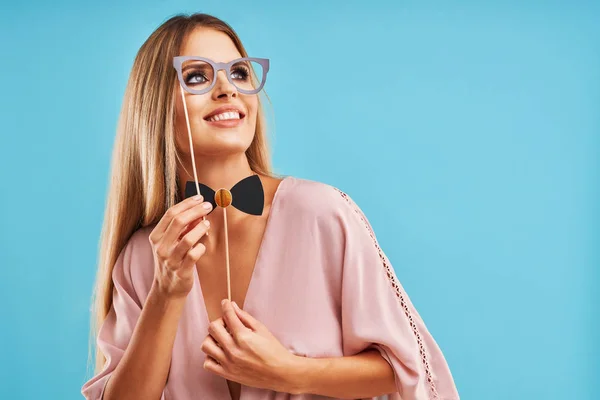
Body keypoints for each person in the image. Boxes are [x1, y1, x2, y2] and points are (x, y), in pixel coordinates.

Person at [81, 12, 460, 400]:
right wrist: (165, 292)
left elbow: (406, 368)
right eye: (197, 76)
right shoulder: (143, 258)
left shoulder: (322, 215)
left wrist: (287, 372)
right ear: (155, 105)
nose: (228, 89)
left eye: (240, 73)